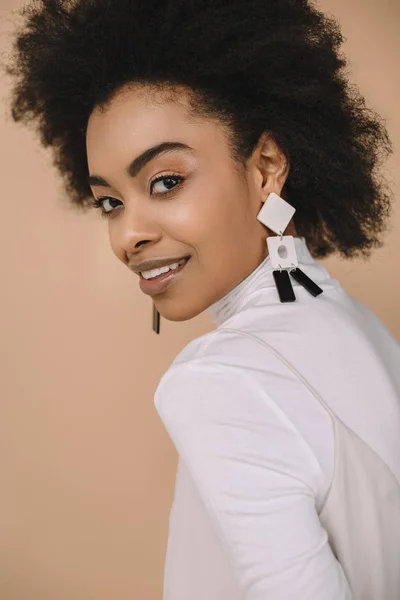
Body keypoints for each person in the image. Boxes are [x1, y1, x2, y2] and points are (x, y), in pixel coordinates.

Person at [4, 0, 400, 598]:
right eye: (110, 201)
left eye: (165, 182)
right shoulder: (354, 322)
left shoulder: (222, 379)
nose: (128, 234)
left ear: (266, 166)